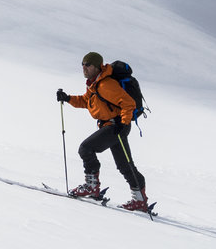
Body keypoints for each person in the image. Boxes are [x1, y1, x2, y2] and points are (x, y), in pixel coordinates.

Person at [56, 51, 150, 212]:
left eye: (88, 65)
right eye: (82, 64)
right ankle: (140, 200)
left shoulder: (106, 84)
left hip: (115, 126)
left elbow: (128, 103)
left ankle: (92, 186)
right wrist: (68, 98)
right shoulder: (94, 84)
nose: (84, 68)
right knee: (124, 165)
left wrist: (124, 122)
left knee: (86, 148)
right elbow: (86, 101)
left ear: (97, 67)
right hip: (115, 125)